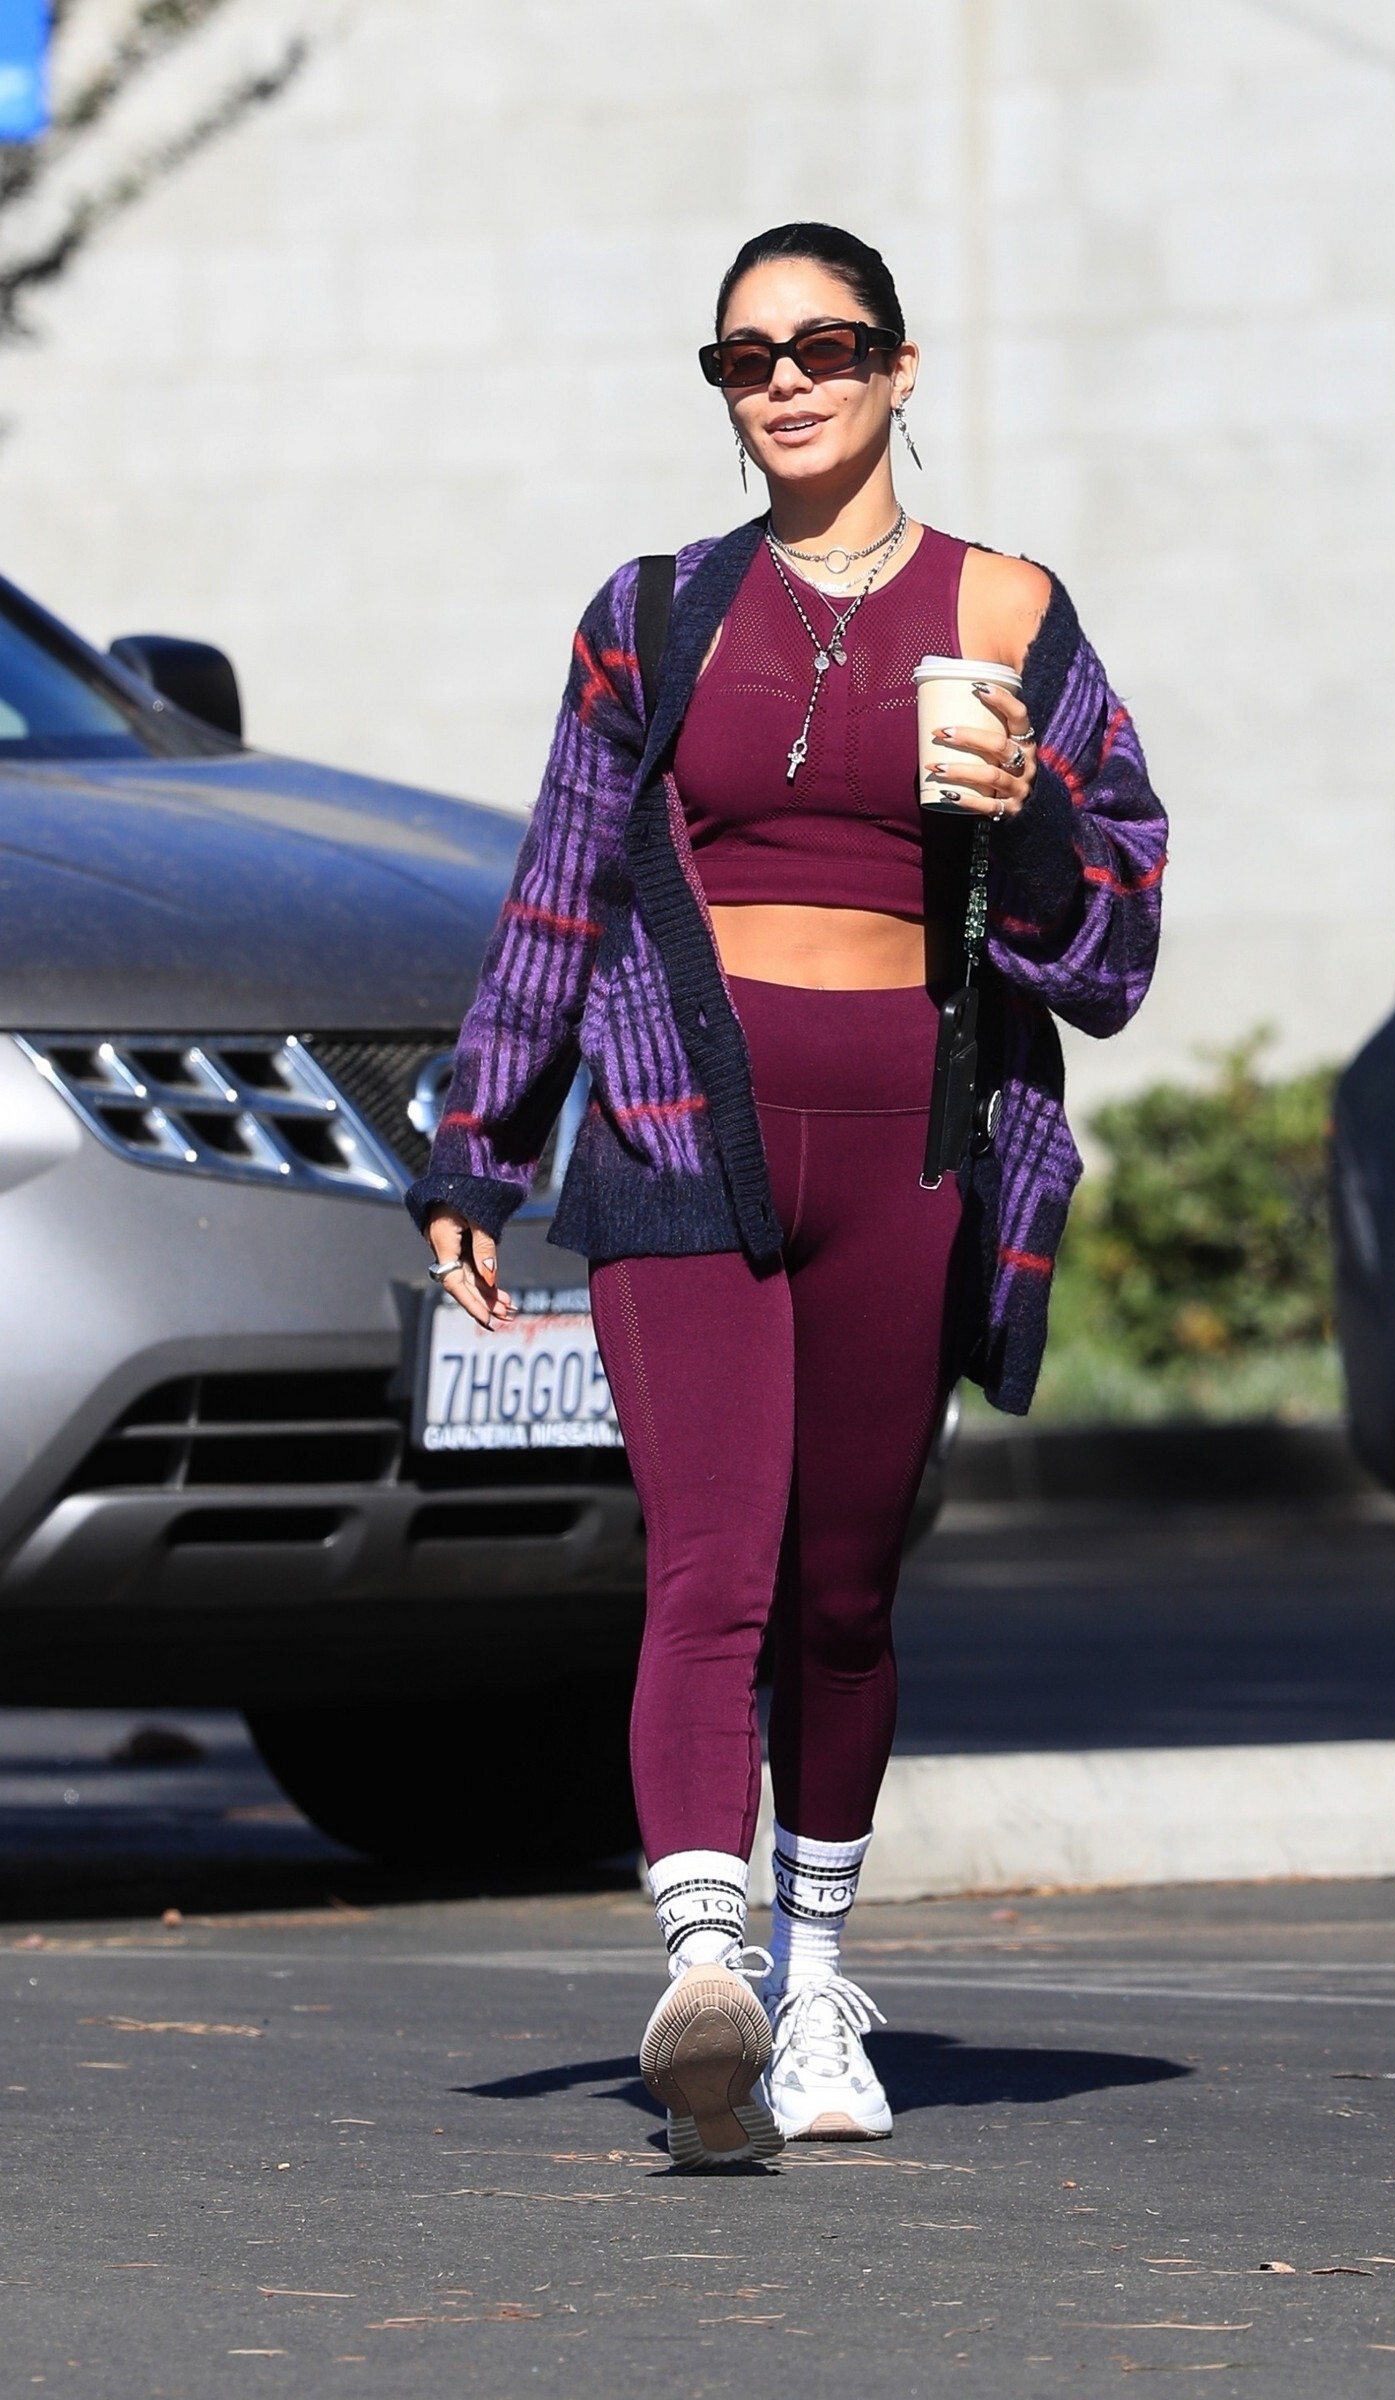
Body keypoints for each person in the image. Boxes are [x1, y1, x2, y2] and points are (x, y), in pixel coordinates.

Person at [406, 222, 1166, 2170]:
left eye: (826, 347)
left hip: (916, 1142)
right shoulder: (654, 613)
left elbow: (1120, 936)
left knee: (840, 1593)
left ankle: (817, 1972)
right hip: (680, 1129)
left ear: (901, 369)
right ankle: (705, 1975)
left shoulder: (1008, 611)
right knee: (708, 1569)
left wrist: (1034, 810)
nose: (787, 383)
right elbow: (562, 888)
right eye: (746, 358)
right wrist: (480, 1143)